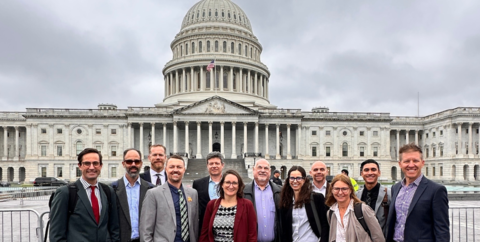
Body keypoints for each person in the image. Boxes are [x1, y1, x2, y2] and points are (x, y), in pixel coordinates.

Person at [49, 148, 120, 242]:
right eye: (87, 163)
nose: (91, 167)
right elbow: (56, 235)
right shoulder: (65, 193)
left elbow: (114, 227)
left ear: (101, 166)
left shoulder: (108, 191)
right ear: (80, 166)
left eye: (95, 163)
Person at [386, 144, 449, 242]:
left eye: (415, 161)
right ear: (400, 164)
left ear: (422, 163)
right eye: (406, 161)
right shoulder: (396, 188)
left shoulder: (436, 190)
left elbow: (442, 228)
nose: (411, 165)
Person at [140, 155, 199, 242]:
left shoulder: (193, 193)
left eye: (179, 167)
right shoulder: (153, 194)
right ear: (165, 169)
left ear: (184, 169)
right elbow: (145, 229)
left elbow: (194, 224)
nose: (175, 170)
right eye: (171, 167)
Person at [200, 170, 257, 242]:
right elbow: (204, 233)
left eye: (234, 183)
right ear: (222, 184)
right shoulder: (212, 205)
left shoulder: (247, 205)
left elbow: (252, 235)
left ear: (239, 186)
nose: (231, 186)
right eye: (228, 182)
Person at [325, 174, 384, 242]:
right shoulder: (331, 213)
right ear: (332, 190)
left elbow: (378, 237)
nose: (340, 192)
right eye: (337, 189)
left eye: (344, 189)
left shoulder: (363, 210)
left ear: (350, 190)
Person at [278, 166, 329, 242]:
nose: (295, 181)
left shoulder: (316, 198)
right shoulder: (286, 201)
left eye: (298, 178)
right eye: (292, 178)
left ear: (304, 180)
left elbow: (325, 225)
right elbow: (284, 229)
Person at [113, 148, 154, 242]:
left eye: (137, 161)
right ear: (123, 164)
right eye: (129, 161)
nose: (133, 164)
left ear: (141, 163)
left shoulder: (151, 189)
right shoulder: (112, 189)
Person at [244, 159, 281, 242]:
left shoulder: (280, 192)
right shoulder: (243, 192)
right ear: (253, 170)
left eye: (266, 168)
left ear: (270, 171)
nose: (263, 171)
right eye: (259, 167)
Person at [192, 152, 225, 236]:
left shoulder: (230, 183)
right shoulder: (197, 184)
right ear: (207, 166)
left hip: (226, 229)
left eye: (217, 163)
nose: (214, 166)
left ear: (222, 165)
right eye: (211, 163)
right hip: (204, 229)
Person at [356, 159, 391, 236]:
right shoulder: (356, 196)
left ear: (379, 173)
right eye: (366, 170)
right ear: (362, 174)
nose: (370, 173)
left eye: (373, 169)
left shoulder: (389, 194)